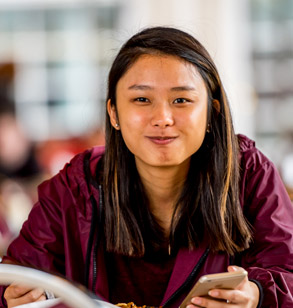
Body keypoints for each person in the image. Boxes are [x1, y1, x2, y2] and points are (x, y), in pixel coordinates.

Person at [0, 26, 293, 308]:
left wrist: (256, 294)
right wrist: (14, 297)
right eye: (141, 99)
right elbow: (15, 277)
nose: (163, 118)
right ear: (114, 113)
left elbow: (287, 273)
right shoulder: (77, 186)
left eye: (181, 100)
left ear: (211, 114)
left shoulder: (248, 174)